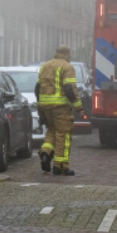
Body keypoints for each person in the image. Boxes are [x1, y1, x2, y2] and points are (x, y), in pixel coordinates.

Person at [36, 45, 82, 176]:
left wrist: (40, 105)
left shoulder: (44, 66)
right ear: (67, 54)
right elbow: (69, 89)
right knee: (64, 135)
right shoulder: (67, 67)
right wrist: (79, 107)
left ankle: (45, 152)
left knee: (52, 131)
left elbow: (37, 88)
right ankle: (60, 166)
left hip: (45, 107)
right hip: (60, 108)